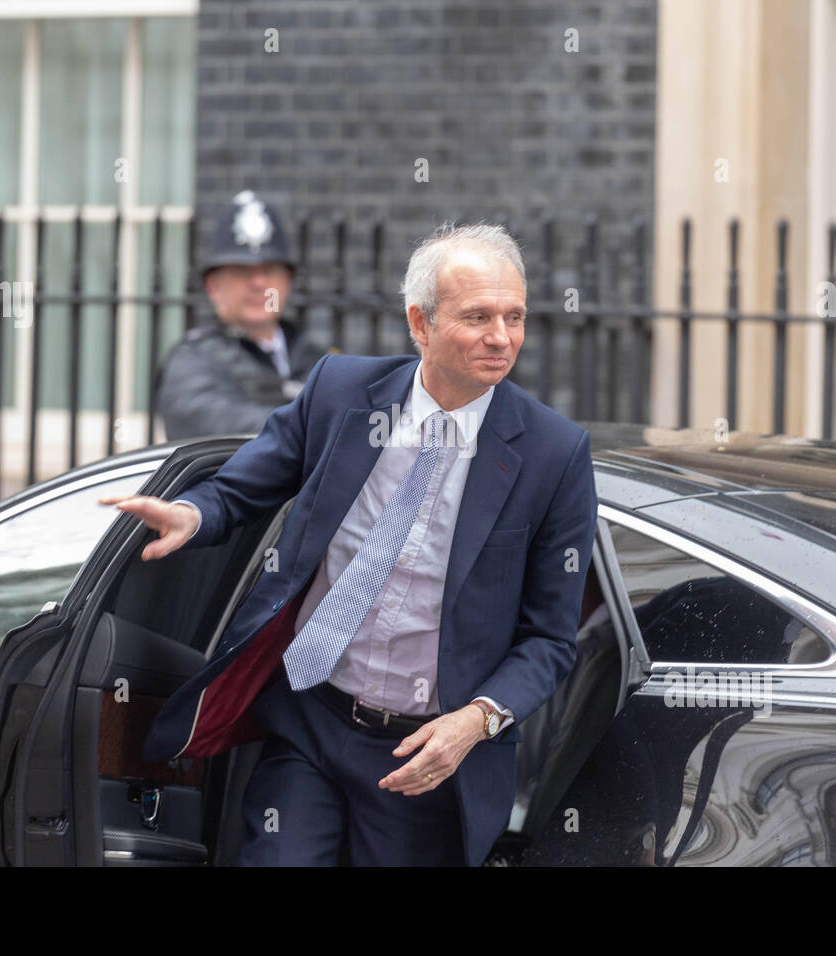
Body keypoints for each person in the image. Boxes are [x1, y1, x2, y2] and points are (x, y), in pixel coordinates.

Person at [101, 222, 598, 866]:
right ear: (420, 324)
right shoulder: (340, 393)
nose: (501, 338)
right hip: (310, 720)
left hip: (426, 756)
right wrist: (191, 517)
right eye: (477, 317)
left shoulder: (554, 454)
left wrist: (477, 721)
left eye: (514, 316)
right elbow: (245, 487)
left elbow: (551, 640)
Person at [155, 189, 330, 439]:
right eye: (241, 271)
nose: (258, 283)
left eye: (269, 270)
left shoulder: (314, 356)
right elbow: (217, 429)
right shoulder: (191, 361)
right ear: (213, 287)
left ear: (287, 281)